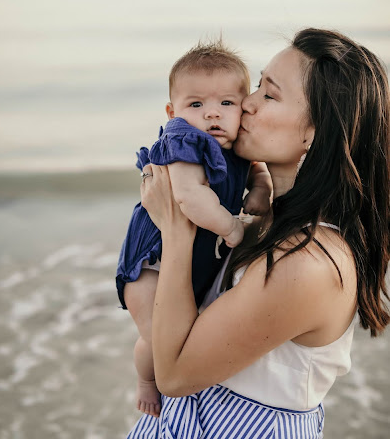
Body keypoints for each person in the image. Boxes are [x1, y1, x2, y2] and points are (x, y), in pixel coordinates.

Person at [127, 28, 389, 439]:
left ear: (313, 133)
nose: (244, 103)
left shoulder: (309, 262)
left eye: (269, 94)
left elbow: (174, 375)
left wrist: (176, 230)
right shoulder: (266, 218)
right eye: (256, 85)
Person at [116, 39, 272, 418]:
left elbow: (258, 171)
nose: (212, 115)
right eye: (196, 105)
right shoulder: (185, 141)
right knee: (158, 336)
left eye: (226, 104)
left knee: (191, 329)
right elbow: (189, 198)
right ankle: (148, 381)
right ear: (174, 111)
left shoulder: (239, 147)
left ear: (243, 108)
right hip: (151, 260)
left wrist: (262, 188)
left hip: (193, 254)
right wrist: (234, 230)